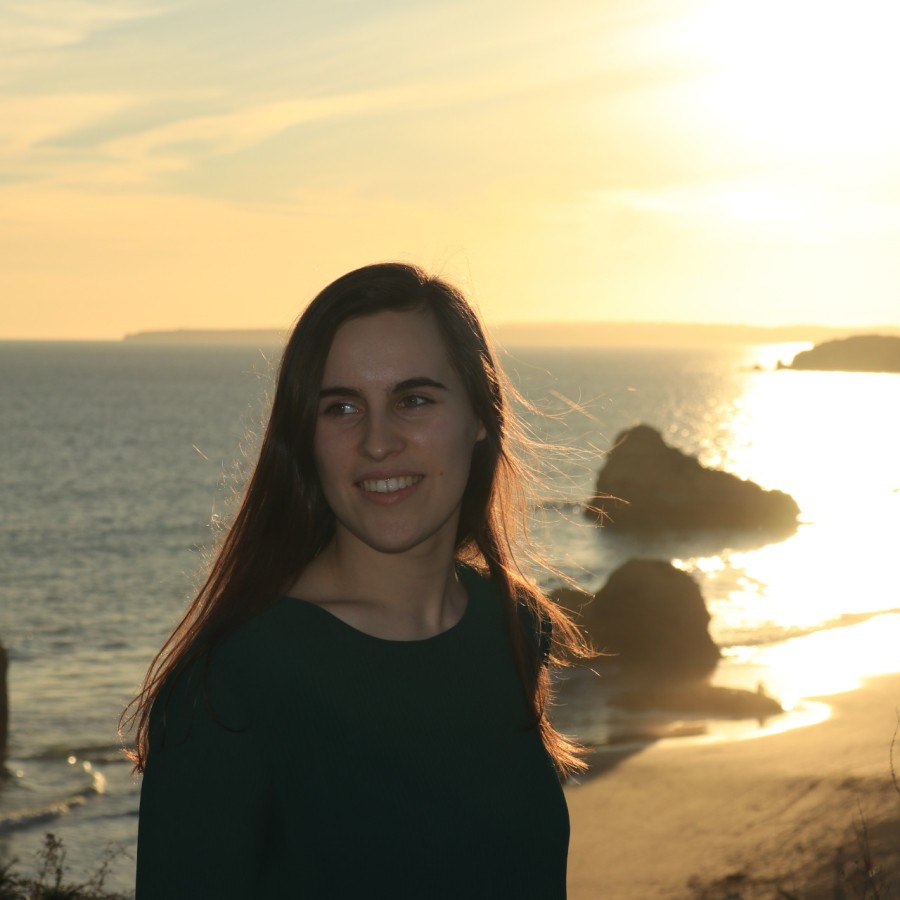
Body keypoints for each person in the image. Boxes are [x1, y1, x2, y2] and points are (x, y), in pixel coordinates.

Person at [127, 262, 589, 899]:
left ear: (481, 416)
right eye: (342, 408)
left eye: (414, 400)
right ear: (305, 437)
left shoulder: (511, 626)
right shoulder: (231, 685)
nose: (377, 442)